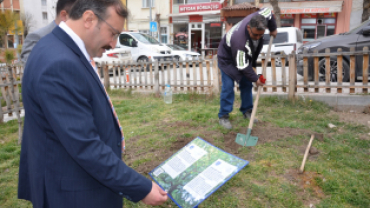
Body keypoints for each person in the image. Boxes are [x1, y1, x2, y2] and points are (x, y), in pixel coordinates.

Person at [18, 0, 168, 207]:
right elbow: (85, 146)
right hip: (74, 194)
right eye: (113, 33)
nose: (114, 44)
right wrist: (141, 188)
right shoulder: (59, 63)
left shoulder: (54, 47)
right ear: (89, 19)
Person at [217, 8, 277, 129]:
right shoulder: (239, 41)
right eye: (255, 34)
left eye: (261, 35)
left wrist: (273, 28)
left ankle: (247, 111)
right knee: (228, 87)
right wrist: (256, 79)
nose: (258, 38)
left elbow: (269, 13)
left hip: (242, 57)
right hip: (227, 59)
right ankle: (223, 116)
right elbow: (242, 66)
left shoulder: (260, 17)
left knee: (247, 84)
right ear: (249, 27)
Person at [20, 0, 76, 64]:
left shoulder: (78, 39)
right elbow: (32, 69)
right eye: (79, 17)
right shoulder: (37, 37)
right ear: (64, 15)